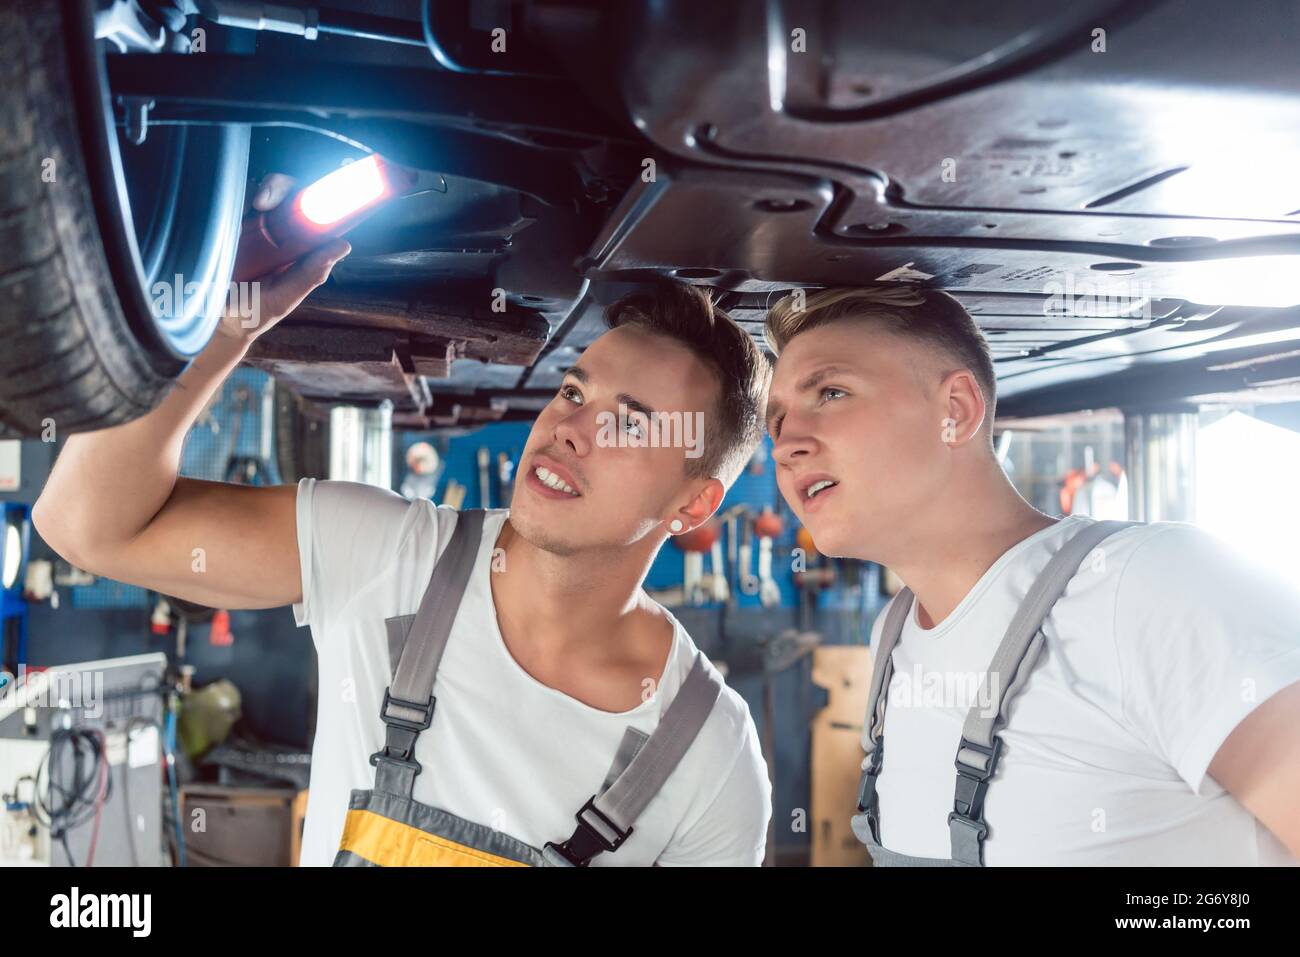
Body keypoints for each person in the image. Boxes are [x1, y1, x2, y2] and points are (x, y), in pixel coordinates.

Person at [33, 175, 773, 866]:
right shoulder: (386, 557)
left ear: (693, 505)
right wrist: (225, 324)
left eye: (630, 425)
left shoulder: (708, 755)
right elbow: (89, 526)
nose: (569, 429)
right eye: (575, 393)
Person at [763, 284, 1300, 866]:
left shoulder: (1151, 587)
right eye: (778, 420)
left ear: (956, 411)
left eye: (831, 392)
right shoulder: (893, 636)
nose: (788, 442)